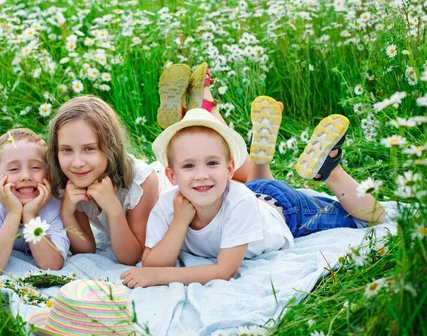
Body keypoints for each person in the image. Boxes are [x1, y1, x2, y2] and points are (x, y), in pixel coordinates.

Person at [120, 103, 386, 288]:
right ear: (171, 177)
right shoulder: (169, 205)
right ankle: (259, 161)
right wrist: (179, 222)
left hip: (286, 212)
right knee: (256, 186)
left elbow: (223, 271)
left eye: (212, 163)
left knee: (370, 218)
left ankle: (330, 171)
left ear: (230, 169)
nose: (200, 174)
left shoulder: (238, 202)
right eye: (189, 166)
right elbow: (152, 261)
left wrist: (158, 277)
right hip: (255, 191)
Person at [46, 96, 160, 265]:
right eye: (66, 150)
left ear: (111, 147)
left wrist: (113, 209)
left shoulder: (141, 182)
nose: (77, 163)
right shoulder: (71, 180)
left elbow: (131, 256)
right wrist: (67, 212)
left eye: (89, 149)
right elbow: (86, 249)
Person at [0, 129, 70, 275]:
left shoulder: (53, 204)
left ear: (49, 176)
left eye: (35, 167)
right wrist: (14, 213)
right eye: (14, 169)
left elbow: (51, 264)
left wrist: (29, 215)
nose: (26, 176)